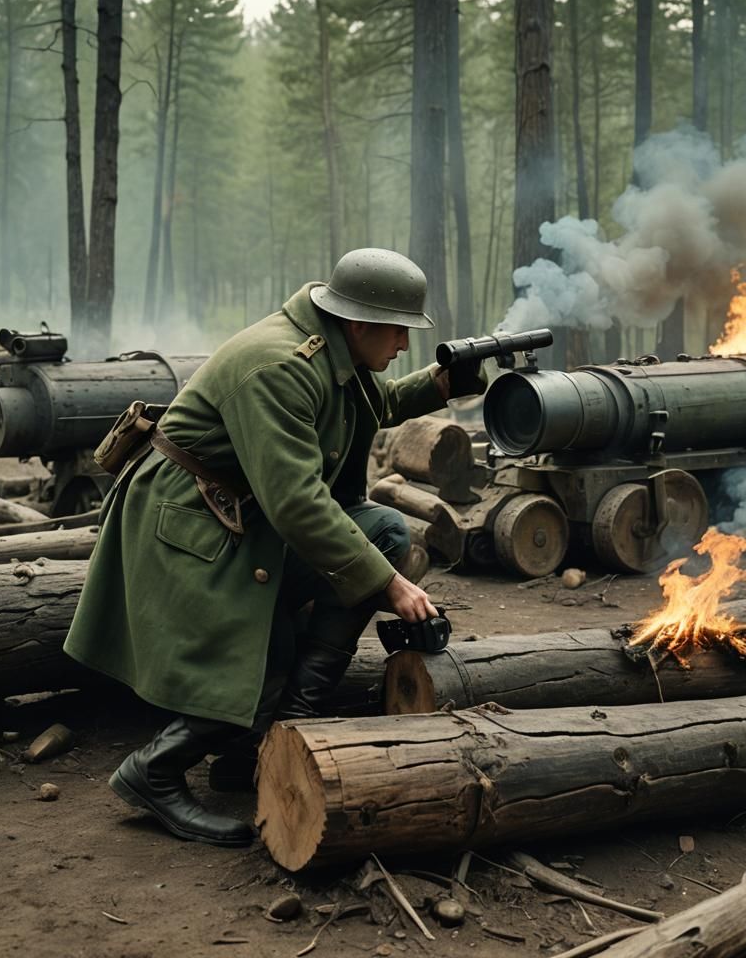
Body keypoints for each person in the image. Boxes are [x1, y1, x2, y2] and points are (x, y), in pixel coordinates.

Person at [63, 248, 485, 847]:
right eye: (398, 330)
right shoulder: (280, 367)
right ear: (359, 323)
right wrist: (390, 584)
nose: (403, 343)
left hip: (236, 515)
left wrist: (446, 380)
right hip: (186, 528)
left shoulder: (330, 349)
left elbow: (379, 402)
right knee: (260, 649)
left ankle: (270, 740)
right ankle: (153, 771)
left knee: (384, 531)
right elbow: (296, 503)